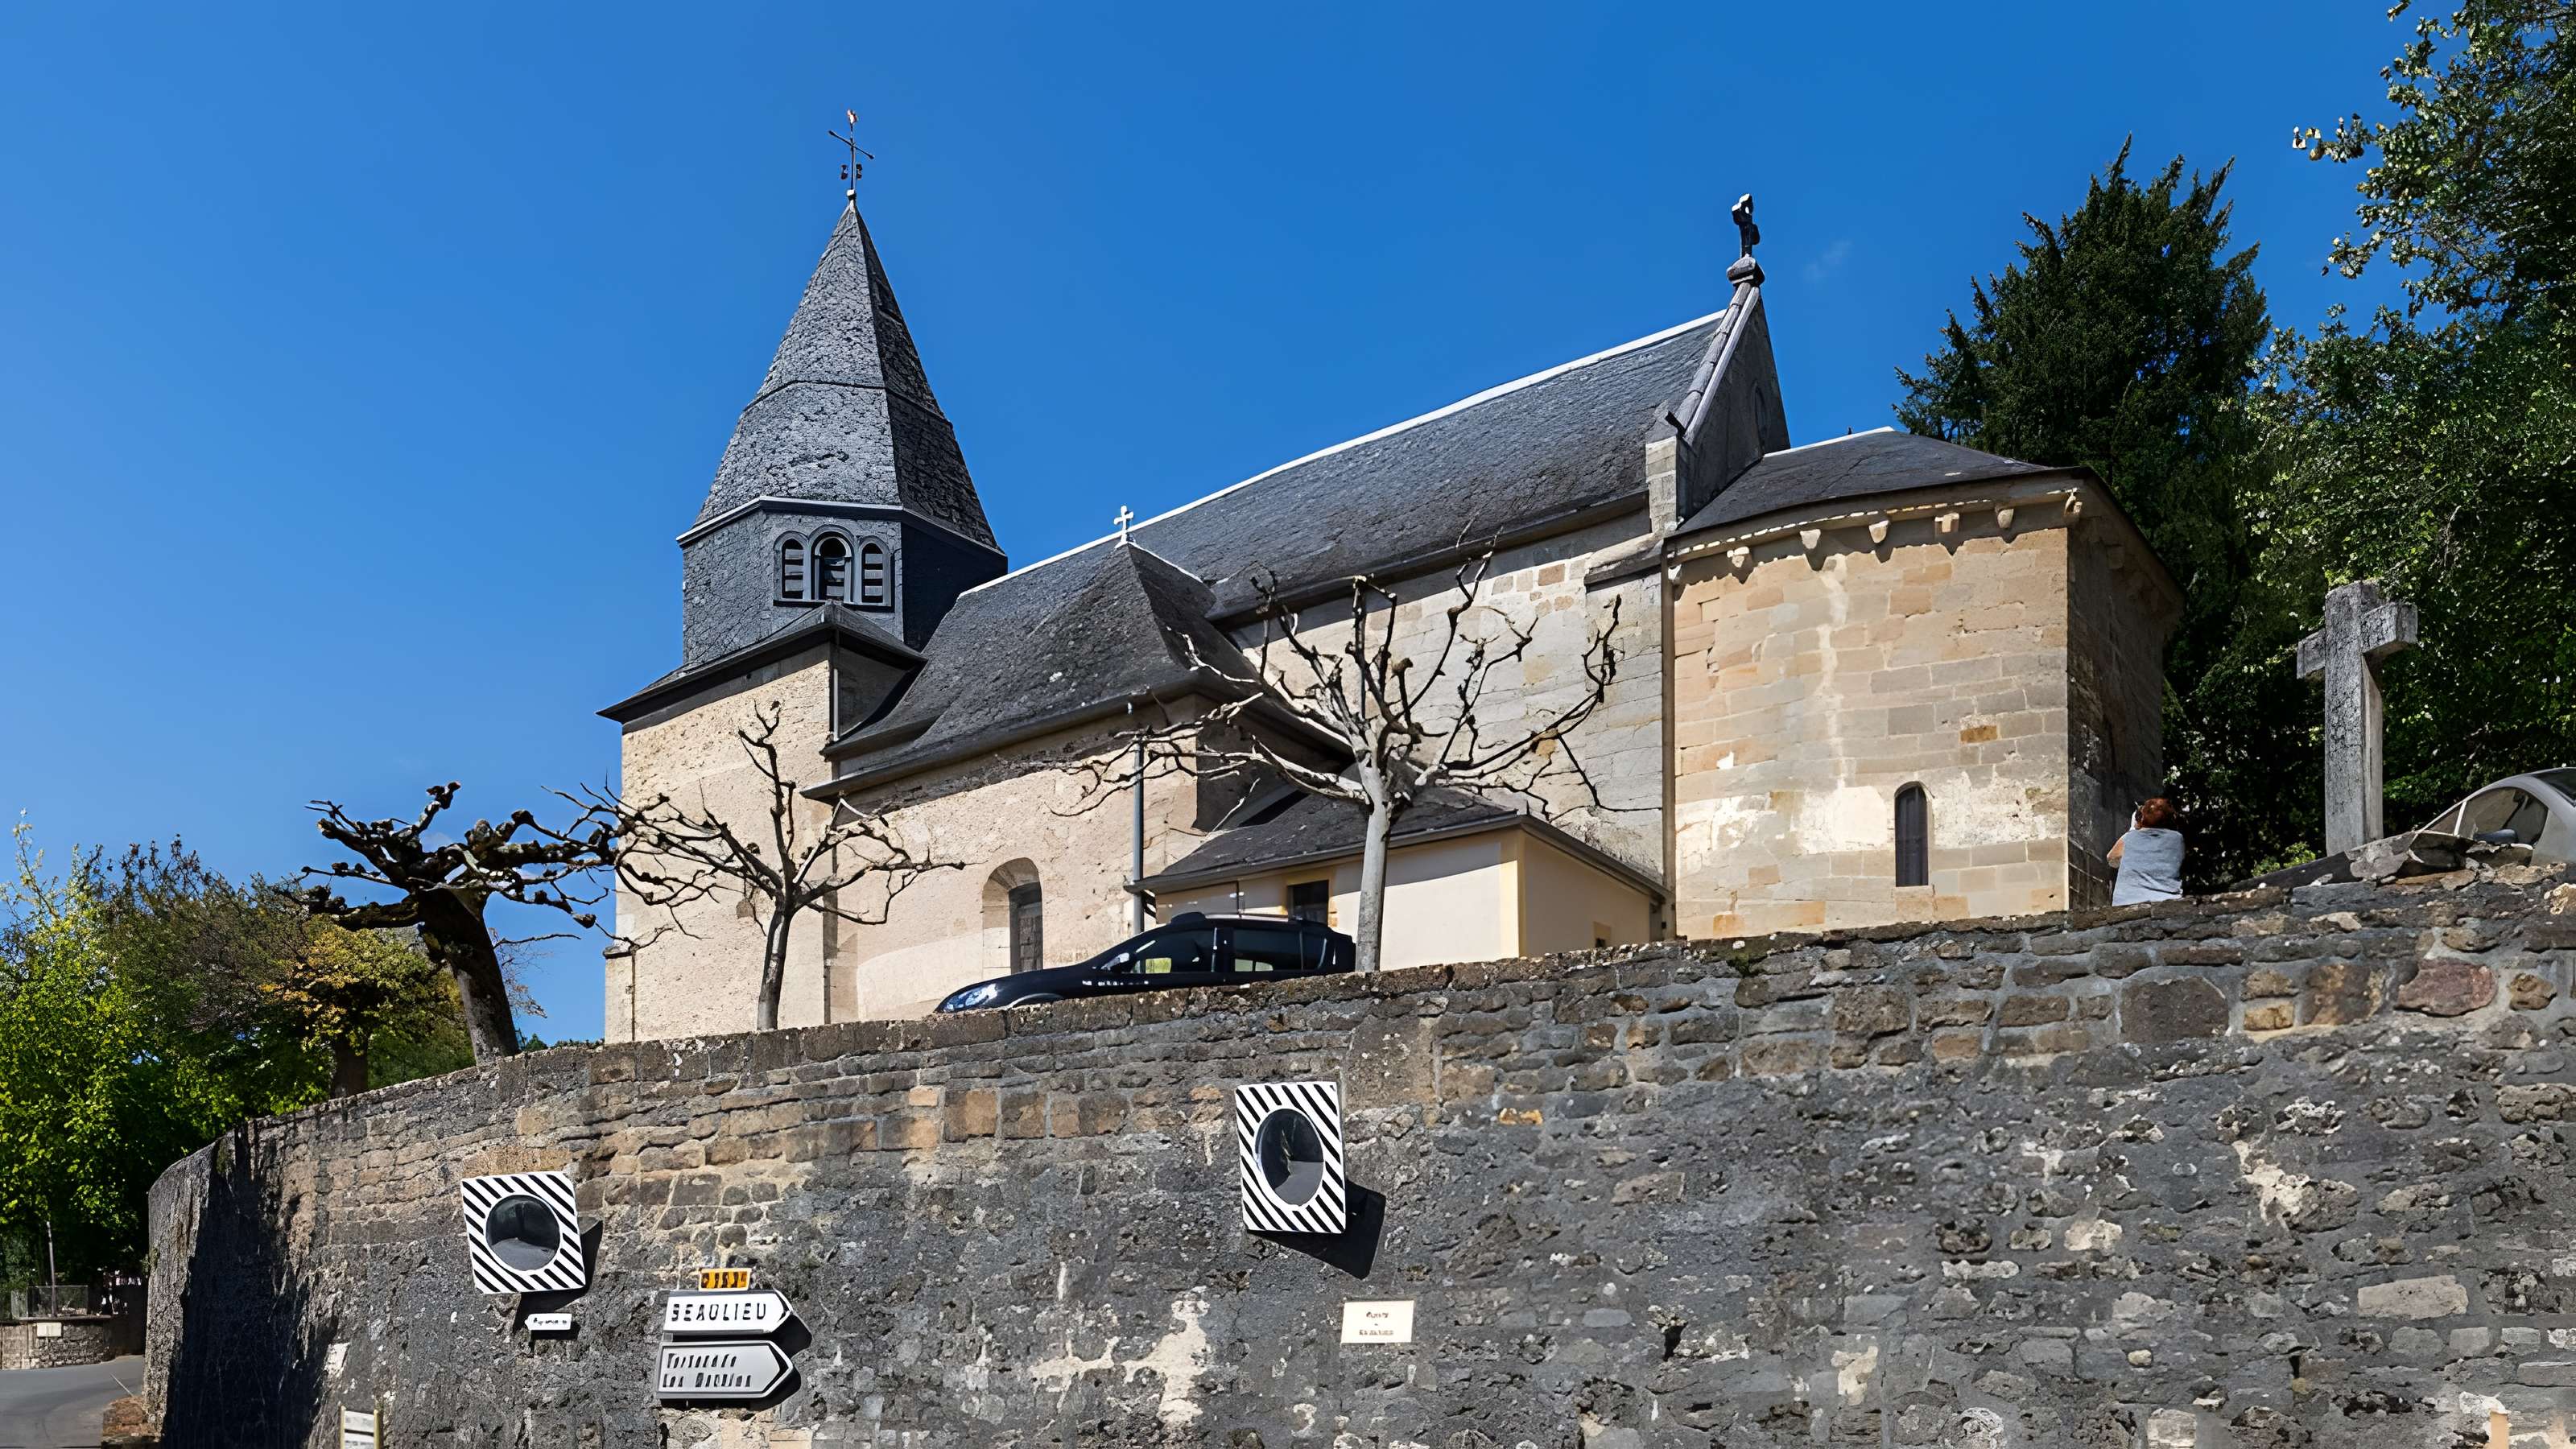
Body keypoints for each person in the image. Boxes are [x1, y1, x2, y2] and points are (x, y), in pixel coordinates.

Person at [2107, 797, 2186, 905]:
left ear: (2141, 820)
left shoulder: (2130, 838)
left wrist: (2134, 830)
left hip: (2126, 902)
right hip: (2166, 901)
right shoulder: (2177, 839)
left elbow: (2111, 858)